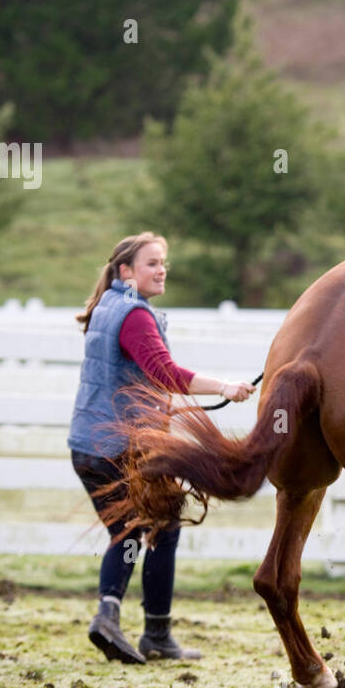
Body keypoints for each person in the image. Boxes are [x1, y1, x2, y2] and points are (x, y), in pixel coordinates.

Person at [67, 232, 255, 663]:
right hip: (117, 446)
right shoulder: (133, 314)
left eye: (163, 262)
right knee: (137, 529)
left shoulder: (108, 307)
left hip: (89, 444)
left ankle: (148, 630)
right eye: (152, 263)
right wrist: (224, 386)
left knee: (154, 528)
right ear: (126, 272)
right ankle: (118, 622)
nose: (161, 269)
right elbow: (165, 373)